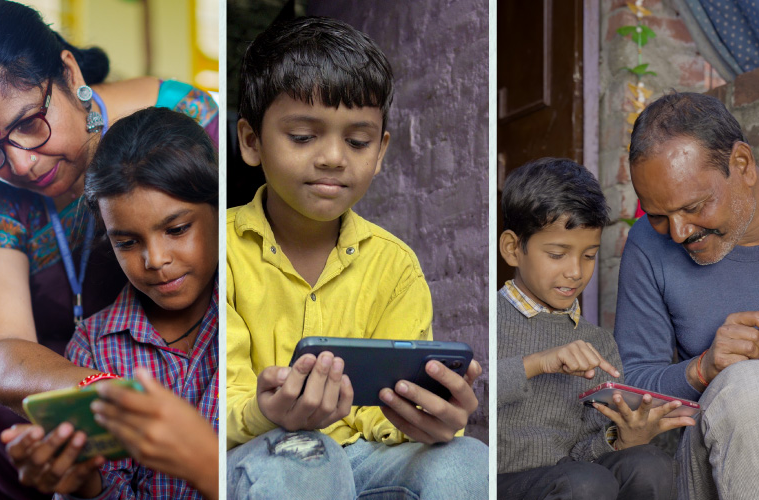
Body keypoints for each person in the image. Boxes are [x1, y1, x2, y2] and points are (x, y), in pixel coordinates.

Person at [0, 1, 220, 497]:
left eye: (28, 123)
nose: (22, 165)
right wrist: (118, 398)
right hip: (33, 443)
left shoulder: (190, 123)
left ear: (69, 72)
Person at [225, 16, 487, 498]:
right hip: (254, 454)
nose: (333, 157)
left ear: (380, 150)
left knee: (469, 461)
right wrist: (267, 412)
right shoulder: (219, 251)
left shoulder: (396, 266)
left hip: (363, 457)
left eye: (358, 141)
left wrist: (423, 417)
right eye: (302, 136)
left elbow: (380, 416)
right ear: (250, 141)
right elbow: (221, 404)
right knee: (308, 459)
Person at [1, 108, 220, 499]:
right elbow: (106, 483)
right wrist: (85, 483)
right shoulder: (94, 347)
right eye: (127, 242)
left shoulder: (247, 310)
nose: (155, 260)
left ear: (219, 211)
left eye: (177, 229)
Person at [495, 158, 687, 500]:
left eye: (588, 255)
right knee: (582, 483)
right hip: (498, 480)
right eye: (557, 254)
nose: (575, 271)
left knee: (651, 464)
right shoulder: (487, 320)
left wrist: (622, 439)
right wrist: (538, 363)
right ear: (513, 249)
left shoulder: (597, 343)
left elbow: (584, 455)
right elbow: (471, 398)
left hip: (573, 479)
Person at [616, 92, 759, 499]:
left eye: (695, 206)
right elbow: (630, 386)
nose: (678, 233)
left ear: (742, 165)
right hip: (716, 462)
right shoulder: (647, 246)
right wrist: (703, 370)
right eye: (658, 215)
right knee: (745, 387)